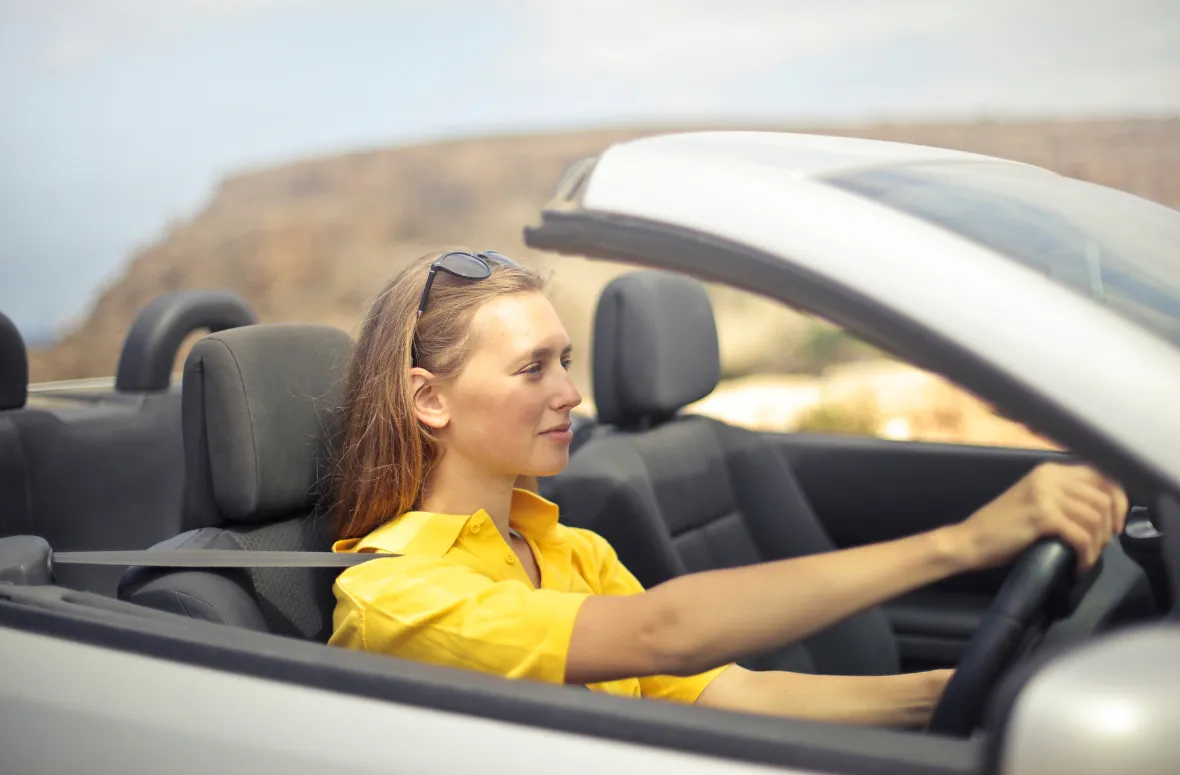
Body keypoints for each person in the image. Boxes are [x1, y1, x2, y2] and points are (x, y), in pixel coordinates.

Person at [327, 249, 1127, 728]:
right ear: (429, 398)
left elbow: (729, 692)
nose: (570, 393)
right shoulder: (397, 594)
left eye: (565, 361)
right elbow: (660, 633)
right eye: (532, 368)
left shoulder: (567, 548)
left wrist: (964, 694)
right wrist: (961, 544)